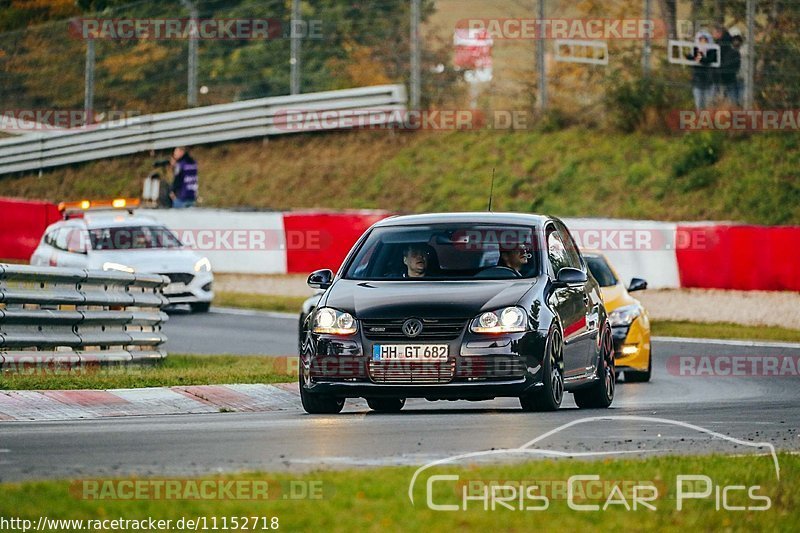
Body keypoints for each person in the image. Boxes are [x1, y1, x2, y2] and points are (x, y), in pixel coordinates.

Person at [686, 31, 717, 110]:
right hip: (698, 81)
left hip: (709, 82)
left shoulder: (713, 50)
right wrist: (697, 57)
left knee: (709, 105)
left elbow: (709, 59)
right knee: (699, 104)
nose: (703, 42)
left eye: (705, 40)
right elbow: (690, 57)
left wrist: (699, 59)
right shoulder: (696, 49)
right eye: (701, 40)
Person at [711, 24, 740, 105]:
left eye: (714, 33)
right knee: (732, 101)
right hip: (727, 76)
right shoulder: (725, 42)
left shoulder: (722, 44)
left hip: (722, 76)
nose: (713, 35)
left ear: (719, 33)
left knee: (716, 101)